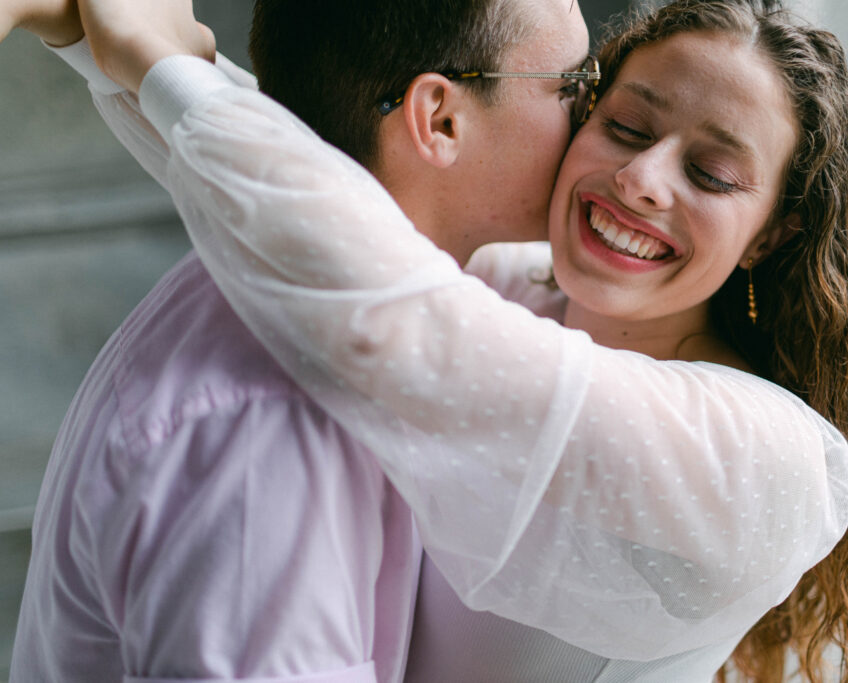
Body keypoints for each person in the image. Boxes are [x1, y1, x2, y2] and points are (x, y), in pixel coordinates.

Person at [56, 0, 848, 681]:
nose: (643, 179)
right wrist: (107, 48)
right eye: (618, 121)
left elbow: (390, 296)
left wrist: (161, 65)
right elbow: (349, 193)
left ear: (770, 234)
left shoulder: (771, 458)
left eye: (712, 174)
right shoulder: (513, 286)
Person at [7, 1, 596, 681]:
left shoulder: (308, 287)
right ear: (440, 120)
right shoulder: (271, 423)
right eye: (572, 84)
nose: (599, 117)